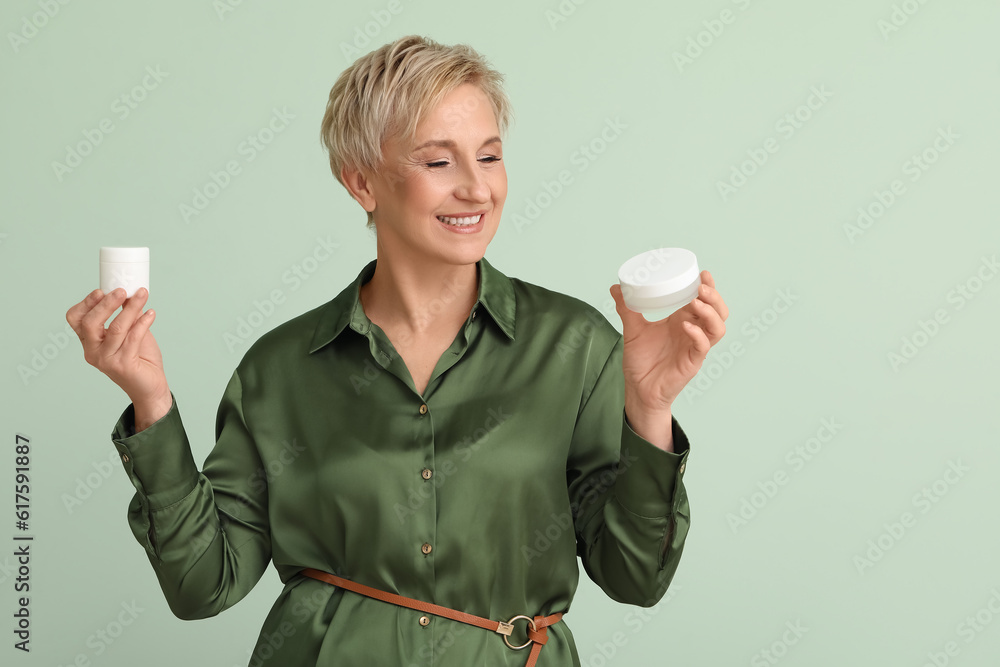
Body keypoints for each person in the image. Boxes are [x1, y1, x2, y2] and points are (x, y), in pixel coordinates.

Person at [65, 34, 728, 667]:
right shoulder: (280, 369)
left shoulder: (576, 346)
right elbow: (203, 583)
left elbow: (636, 575)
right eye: (439, 161)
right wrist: (150, 401)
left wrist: (649, 408)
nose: (476, 186)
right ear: (362, 184)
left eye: (489, 155)